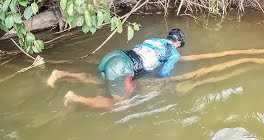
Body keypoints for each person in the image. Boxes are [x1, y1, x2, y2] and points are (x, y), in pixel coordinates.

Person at [47, 28, 185, 109]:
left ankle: (59, 73)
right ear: (178, 43)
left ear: (168, 37)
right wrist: (164, 81)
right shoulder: (174, 53)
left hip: (116, 55)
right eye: (180, 44)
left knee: (96, 78)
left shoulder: (153, 39)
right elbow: (163, 73)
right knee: (119, 104)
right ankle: (74, 98)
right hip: (124, 67)